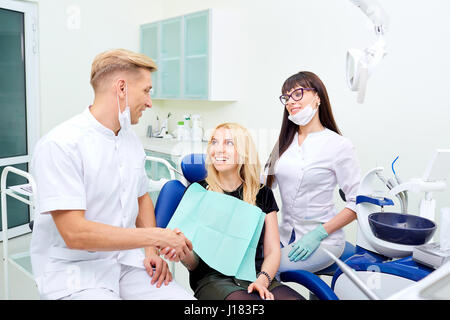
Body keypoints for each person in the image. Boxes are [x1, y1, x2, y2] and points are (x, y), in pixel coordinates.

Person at [29, 49, 195, 300]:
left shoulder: (130, 140)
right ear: (121, 88)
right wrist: (158, 236)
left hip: (125, 263)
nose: (150, 102)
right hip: (74, 271)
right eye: (147, 91)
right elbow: (75, 234)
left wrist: (150, 251)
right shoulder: (61, 144)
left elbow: (142, 199)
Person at [175, 123, 304, 300]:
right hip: (214, 279)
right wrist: (182, 252)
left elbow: (273, 251)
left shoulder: (262, 194)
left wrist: (263, 281)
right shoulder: (199, 193)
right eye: (214, 142)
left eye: (228, 143)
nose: (218, 149)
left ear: (244, 152)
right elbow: (193, 264)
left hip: (257, 275)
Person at [263, 71, 361, 273]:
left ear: (317, 97)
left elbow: (358, 202)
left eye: (297, 94)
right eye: (286, 97)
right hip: (284, 234)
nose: (291, 101)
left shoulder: (339, 145)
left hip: (323, 240)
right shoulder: (284, 143)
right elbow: (262, 183)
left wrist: (318, 233)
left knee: (268, 271)